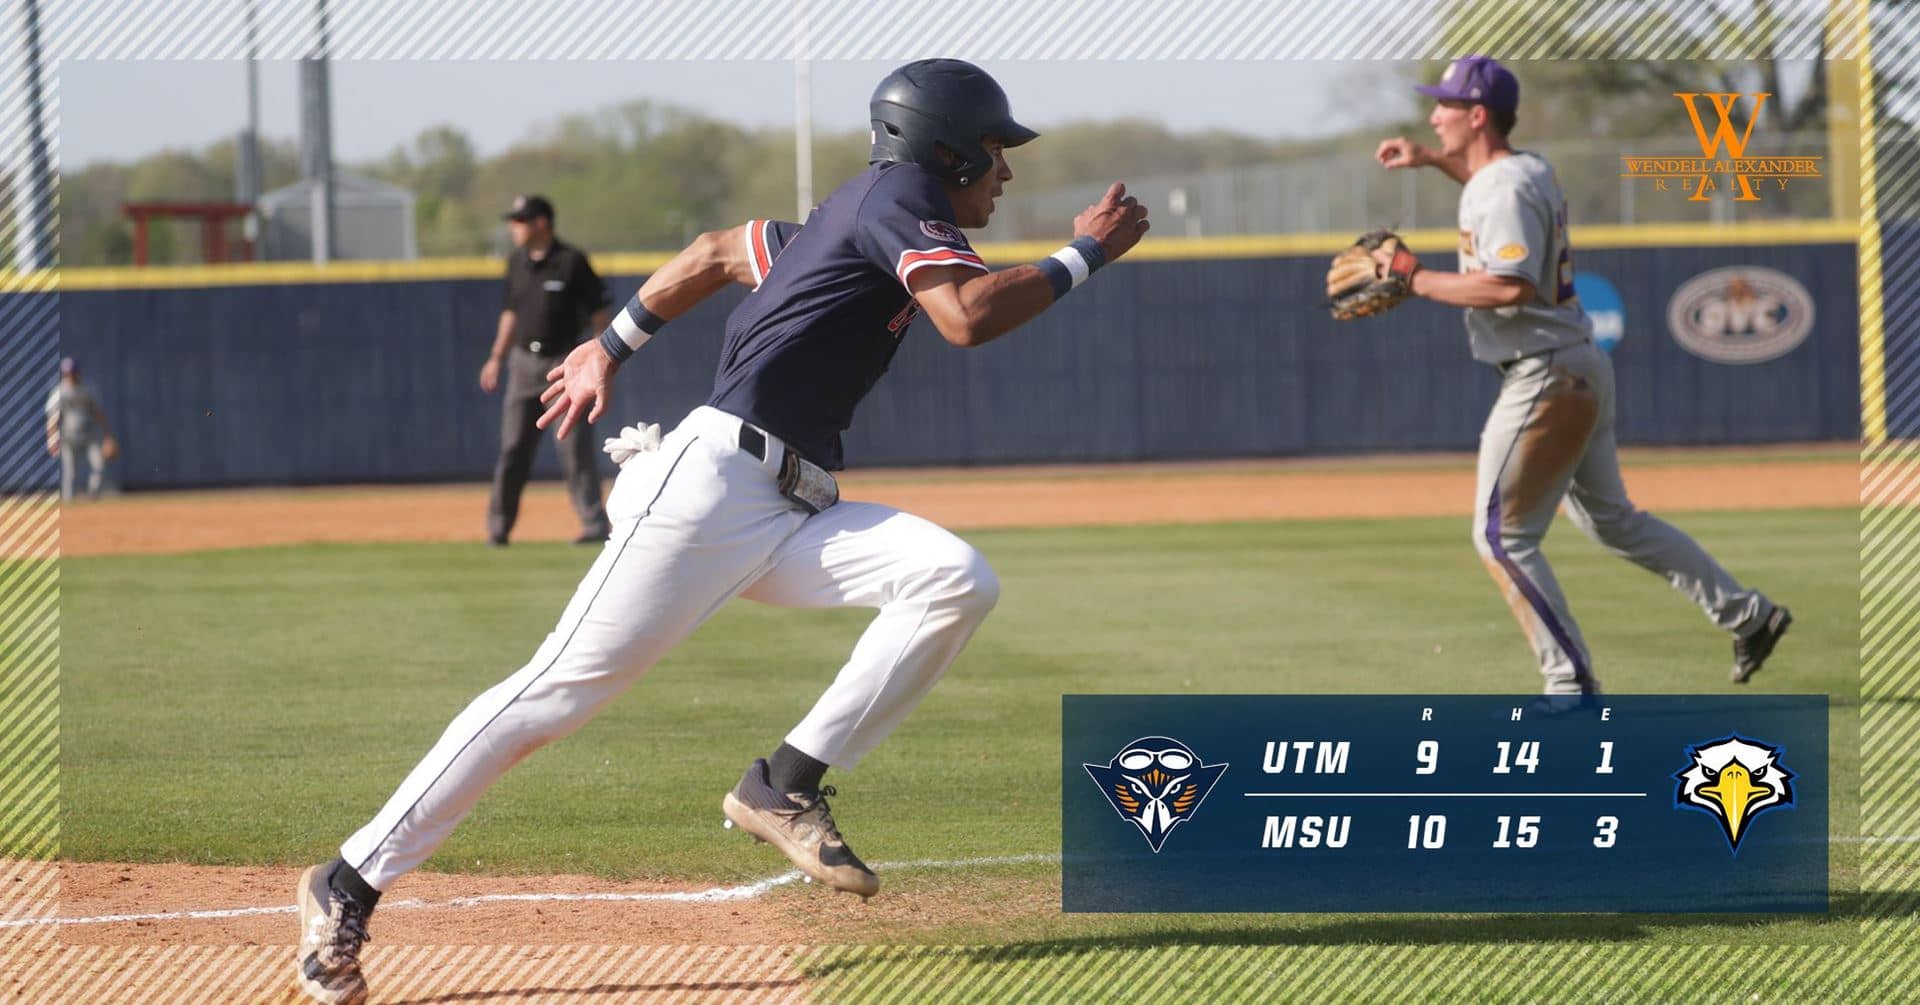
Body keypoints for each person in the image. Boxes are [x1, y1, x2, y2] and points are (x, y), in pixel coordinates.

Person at [294, 59, 1149, 1004]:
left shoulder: (857, 219)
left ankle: (784, 781)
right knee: (555, 693)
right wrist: (1086, 254)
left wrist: (608, 345)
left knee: (955, 576)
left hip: (792, 503)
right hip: (712, 489)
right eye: (994, 151)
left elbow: (711, 252)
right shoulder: (898, 194)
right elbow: (966, 316)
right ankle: (350, 878)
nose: (1006, 171)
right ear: (941, 151)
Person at [1371, 56, 1791, 707]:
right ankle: (1748, 614)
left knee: (1501, 536)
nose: (1433, 113)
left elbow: (1510, 286)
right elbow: (1493, 189)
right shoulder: (1524, 168)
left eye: (1444, 105)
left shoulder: (1501, 188)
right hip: (1575, 363)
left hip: (1546, 376)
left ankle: (1570, 682)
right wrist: (1431, 158)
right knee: (1614, 521)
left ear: (1475, 115)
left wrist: (1416, 279)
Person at [479, 194, 614, 546]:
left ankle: (594, 525)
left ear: (542, 223)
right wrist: (496, 357)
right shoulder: (516, 263)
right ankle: (498, 528)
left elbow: (600, 314)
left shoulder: (571, 262)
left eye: (520, 221)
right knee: (512, 449)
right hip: (523, 363)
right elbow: (510, 313)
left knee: (573, 448)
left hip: (563, 362)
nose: (514, 227)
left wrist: (600, 357)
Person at [45, 357, 115, 501]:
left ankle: (93, 497)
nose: (70, 375)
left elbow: (99, 414)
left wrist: (108, 436)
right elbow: (52, 419)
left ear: (77, 372)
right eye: (67, 373)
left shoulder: (88, 389)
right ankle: (68, 506)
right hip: (68, 437)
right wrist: (52, 439)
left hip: (90, 435)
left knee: (99, 467)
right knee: (70, 474)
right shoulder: (59, 392)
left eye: (72, 372)